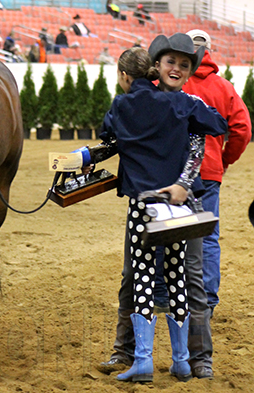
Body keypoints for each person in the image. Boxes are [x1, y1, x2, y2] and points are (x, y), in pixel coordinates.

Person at [94, 34, 227, 382]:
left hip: (174, 201)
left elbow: (203, 143)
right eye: (171, 62)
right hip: (174, 204)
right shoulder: (182, 105)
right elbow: (114, 142)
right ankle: (135, 353)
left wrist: (184, 183)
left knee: (179, 278)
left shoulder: (185, 102)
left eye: (184, 65)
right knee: (151, 277)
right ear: (156, 66)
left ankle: (195, 358)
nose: (177, 69)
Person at [180, 30, 251, 315]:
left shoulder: (171, 79)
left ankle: (170, 295)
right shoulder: (223, 86)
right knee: (207, 238)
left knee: (168, 235)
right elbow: (242, 130)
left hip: (171, 172)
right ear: (210, 51)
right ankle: (206, 301)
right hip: (208, 170)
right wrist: (224, 160)